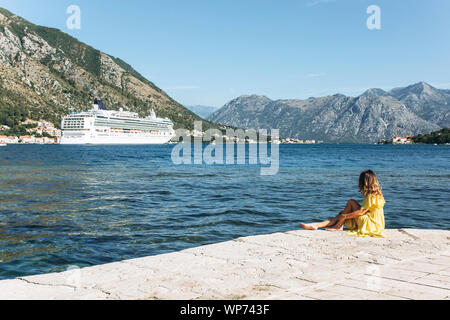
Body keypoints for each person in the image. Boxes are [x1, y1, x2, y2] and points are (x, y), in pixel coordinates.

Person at [300, 170, 386, 237]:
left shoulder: (370, 197)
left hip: (370, 225)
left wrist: (344, 216)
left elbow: (361, 212)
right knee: (351, 203)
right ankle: (325, 225)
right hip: (377, 225)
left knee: (345, 211)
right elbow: (366, 211)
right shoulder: (378, 194)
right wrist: (345, 214)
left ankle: (326, 225)